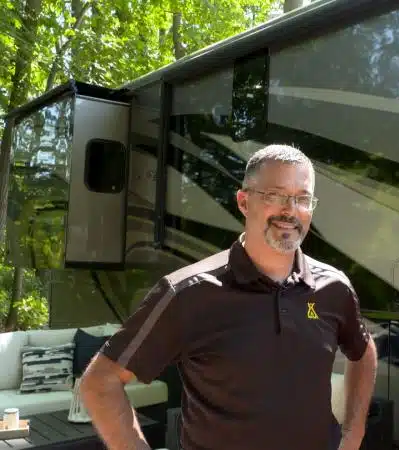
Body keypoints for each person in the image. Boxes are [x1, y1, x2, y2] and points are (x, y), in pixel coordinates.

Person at [80, 144, 378, 450]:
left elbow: (363, 351)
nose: (290, 210)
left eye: (302, 198)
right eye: (274, 195)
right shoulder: (189, 292)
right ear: (244, 201)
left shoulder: (333, 288)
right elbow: (101, 381)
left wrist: (353, 434)